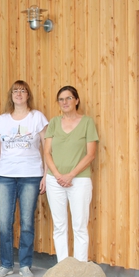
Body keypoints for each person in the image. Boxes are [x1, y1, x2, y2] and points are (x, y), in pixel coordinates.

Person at [0, 80, 48, 277]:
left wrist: (46, 175)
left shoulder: (37, 117)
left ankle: (25, 264)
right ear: (11, 95)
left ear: (28, 95)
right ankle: (6, 264)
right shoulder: (3, 120)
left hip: (31, 175)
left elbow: (47, 148)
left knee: (27, 221)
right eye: (15, 90)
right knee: (4, 221)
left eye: (23, 90)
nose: (19, 94)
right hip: (5, 175)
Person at [44, 85, 98, 263]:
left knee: (80, 226)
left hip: (79, 181)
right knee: (59, 226)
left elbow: (91, 154)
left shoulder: (87, 122)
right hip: (55, 181)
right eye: (61, 99)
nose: (64, 102)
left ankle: (80, 268)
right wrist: (58, 175)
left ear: (77, 100)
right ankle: (63, 267)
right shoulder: (53, 122)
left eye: (68, 98)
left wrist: (70, 175)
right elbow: (47, 153)